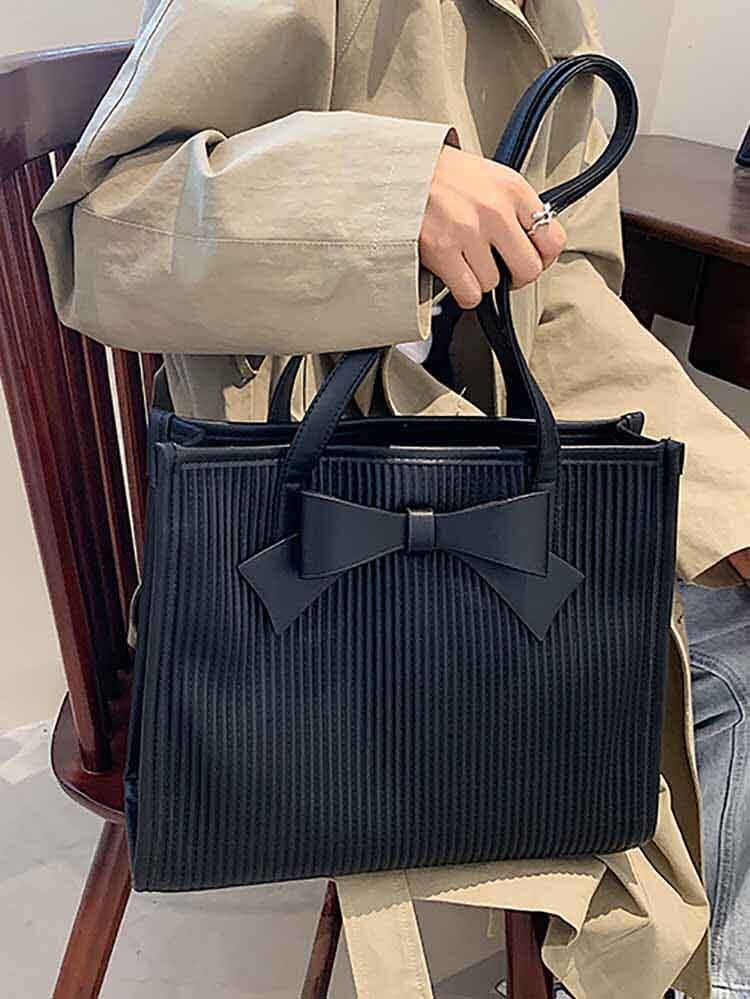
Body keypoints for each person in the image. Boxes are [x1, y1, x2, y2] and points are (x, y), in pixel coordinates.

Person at [32, 0, 750, 996]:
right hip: (290, 582)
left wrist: (729, 498)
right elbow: (106, 230)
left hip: (473, 506)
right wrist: (380, 196)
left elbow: (563, 288)